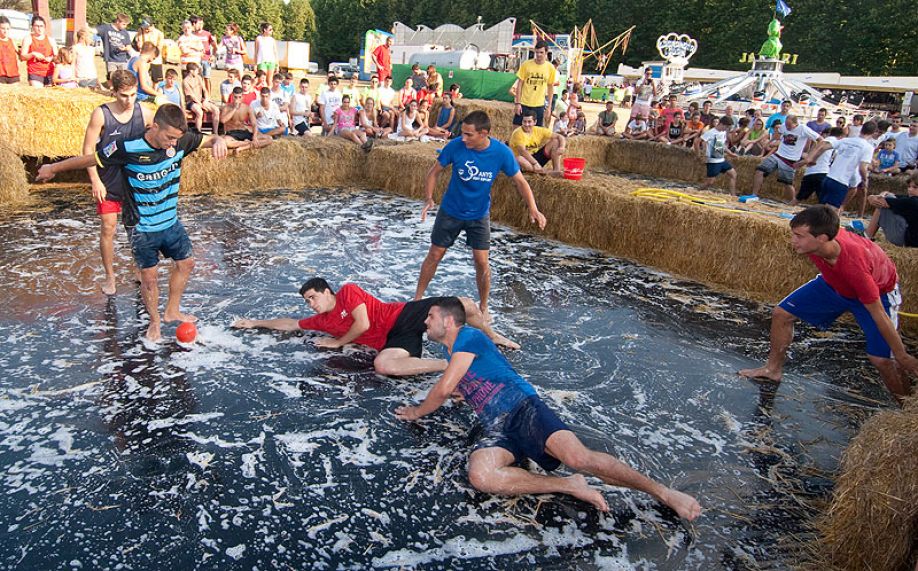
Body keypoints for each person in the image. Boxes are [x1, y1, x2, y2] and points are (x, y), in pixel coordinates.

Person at [394, 298, 703, 519]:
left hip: (522, 408)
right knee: (481, 476)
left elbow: (443, 388)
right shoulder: (455, 354)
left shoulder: (468, 336)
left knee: (579, 458)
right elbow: (467, 382)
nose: (425, 321)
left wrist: (416, 412)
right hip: (496, 425)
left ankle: (664, 493)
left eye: (430, 316)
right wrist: (466, 392)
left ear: (448, 321)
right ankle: (567, 485)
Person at [37, 104, 259, 342]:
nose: (173, 144)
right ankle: (154, 322)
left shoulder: (181, 141)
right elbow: (90, 159)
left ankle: (172, 311)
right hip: (141, 226)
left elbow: (211, 139)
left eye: (177, 139)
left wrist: (219, 140)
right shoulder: (126, 147)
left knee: (186, 264)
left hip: (170, 221)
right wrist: (53, 168)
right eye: (169, 137)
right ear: (155, 127)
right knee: (149, 278)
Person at [739, 205, 917, 402]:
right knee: (782, 314)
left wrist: (902, 356)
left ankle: (907, 406)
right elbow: (826, 213)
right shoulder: (819, 239)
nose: (792, 240)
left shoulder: (855, 268)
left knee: (882, 359)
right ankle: (772, 370)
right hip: (835, 283)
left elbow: (879, 314)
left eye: (799, 236)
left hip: (877, 291)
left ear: (822, 238)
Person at [234, 278, 519, 376]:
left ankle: (493, 336)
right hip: (394, 340)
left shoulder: (348, 292)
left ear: (327, 292)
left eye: (312, 297)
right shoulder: (321, 321)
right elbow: (290, 323)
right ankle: (449, 365)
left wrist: (337, 342)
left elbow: (364, 323)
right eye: (307, 301)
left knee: (464, 304)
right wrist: (255, 322)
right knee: (383, 365)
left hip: (401, 316)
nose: (310, 304)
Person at [414, 111, 547, 320]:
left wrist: (533, 208)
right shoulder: (455, 146)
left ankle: (484, 307)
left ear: (483, 133)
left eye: (469, 134)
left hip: (479, 215)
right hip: (451, 211)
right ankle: (416, 300)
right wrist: (429, 198)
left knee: (482, 262)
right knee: (435, 254)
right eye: (463, 133)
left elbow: (520, 181)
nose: (463, 138)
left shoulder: (501, 152)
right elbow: (434, 172)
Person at [81, 70, 154, 296]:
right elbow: (87, 149)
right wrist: (95, 180)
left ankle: (137, 268)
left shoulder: (145, 112)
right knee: (108, 227)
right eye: (124, 95)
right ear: (113, 92)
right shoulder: (101, 114)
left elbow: (157, 141)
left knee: (137, 228)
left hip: (135, 179)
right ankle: (110, 277)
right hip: (108, 178)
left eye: (133, 95)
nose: (129, 100)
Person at [805, 121, 878, 209]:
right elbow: (862, 168)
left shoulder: (846, 140)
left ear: (861, 129)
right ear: (873, 133)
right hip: (841, 182)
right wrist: (864, 180)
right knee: (831, 211)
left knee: (822, 208)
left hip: (828, 178)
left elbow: (823, 147)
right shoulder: (868, 148)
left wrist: (814, 159)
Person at [750, 114, 821, 201]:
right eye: (786, 125)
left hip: (790, 159)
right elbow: (777, 134)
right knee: (760, 170)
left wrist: (811, 156)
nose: (787, 127)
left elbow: (820, 139)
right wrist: (769, 142)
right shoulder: (784, 126)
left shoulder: (803, 129)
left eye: (789, 126)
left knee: (787, 183)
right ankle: (754, 195)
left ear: (795, 123)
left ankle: (792, 202)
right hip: (778, 154)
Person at [866, 171, 918, 247]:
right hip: (913, 242)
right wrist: (883, 195)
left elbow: (882, 199)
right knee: (890, 200)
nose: (910, 189)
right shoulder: (911, 200)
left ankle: (867, 236)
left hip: (905, 241)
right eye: (909, 186)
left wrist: (871, 197)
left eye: (915, 187)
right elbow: (890, 194)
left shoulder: (913, 202)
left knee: (883, 204)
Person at [512, 41, 556, 127]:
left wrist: (549, 106)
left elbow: (550, 87)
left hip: (539, 105)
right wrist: (517, 103)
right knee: (516, 127)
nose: (539, 55)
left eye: (541, 52)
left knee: (536, 130)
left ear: (546, 52)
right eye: (537, 52)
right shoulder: (526, 65)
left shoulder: (550, 68)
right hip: (524, 103)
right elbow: (519, 84)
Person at [796, 127, 843, 204]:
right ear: (841, 136)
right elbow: (822, 150)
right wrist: (811, 160)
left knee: (799, 198)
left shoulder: (827, 141)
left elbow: (819, 150)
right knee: (824, 201)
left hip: (812, 172)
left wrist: (805, 161)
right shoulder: (833, 143)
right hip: (822, 172)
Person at [510, 111, 565, 175]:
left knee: (556, 141)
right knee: (519, 159)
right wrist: (535, 163)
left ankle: (556, 170)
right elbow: (522, 151)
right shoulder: (518, 133)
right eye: (524, 121)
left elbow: (560, 136)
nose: (526, 124)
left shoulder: (539, 130)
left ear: (535, 122)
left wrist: (562, 147)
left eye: (529, 122)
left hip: (535, 157)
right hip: (524, 159)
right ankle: (546, 173)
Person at [696, 116, 738, 194]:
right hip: (713, 161)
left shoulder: (723, 132)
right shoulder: (711, 132)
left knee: (733, 174)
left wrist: (730, 153)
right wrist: (698, 154)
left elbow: (722, 145)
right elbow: (697, 142)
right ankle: (696, 191)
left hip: (721, 160)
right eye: (726, 127)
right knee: (710, 182)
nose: (727, 129)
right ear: (721, 124)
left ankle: (733, 195)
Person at [20, 15, 57, 87]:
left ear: (45, 27)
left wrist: (51, 58)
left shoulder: (51, 40)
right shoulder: (28, 39)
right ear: (32, 27)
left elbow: (57, 57)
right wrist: (33, 54)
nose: (39, 29)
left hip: (49, 72)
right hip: (35, 72)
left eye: (41, 26)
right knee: (38, 92)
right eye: (37, 26)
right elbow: (22, 57)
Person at [182, 62, 219, 133]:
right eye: (196, 70)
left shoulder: (199, 78)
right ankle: (198, 132)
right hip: (191, 102)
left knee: (216, 110)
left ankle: (215, 132)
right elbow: (192, 96)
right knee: (199, 112)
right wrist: (200, 104)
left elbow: (204, 90)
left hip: (201, 100)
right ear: (191, 71)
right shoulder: (185, 81)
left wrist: (206, 99)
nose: (198, 72)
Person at [97, 13, 131, 80]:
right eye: (124, 24)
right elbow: (94, 31)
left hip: (122, 59)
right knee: (111, 77)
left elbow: (129, 46)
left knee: (123, 78)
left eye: (126, 25)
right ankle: (111, 86)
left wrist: (124, 48)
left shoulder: (125, 33)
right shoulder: (106, 28)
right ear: (117, 21)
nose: (125, 26)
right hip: (110, 59)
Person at [133, 18, 164, 83]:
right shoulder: (140, 31)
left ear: (152, 26)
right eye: (144, 28)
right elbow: (138, 42)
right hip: (144, 59)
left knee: (156, 80)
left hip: (156, 60)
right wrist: (139, 44)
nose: (146, 30)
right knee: (143, 78)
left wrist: (153, 55)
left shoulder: (159, 34)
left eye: (147, 28)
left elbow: (159, 47)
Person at [191, 15, 217, 94]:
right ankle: (200, 95)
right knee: (197, 78)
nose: (201, 25)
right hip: (196, 59)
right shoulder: (192, 34)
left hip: (206, 59)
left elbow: (215, 46)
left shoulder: (207, 34)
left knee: (207, 78)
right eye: (199, 23)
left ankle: (208, 95)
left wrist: (213, 55)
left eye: (202, 23)